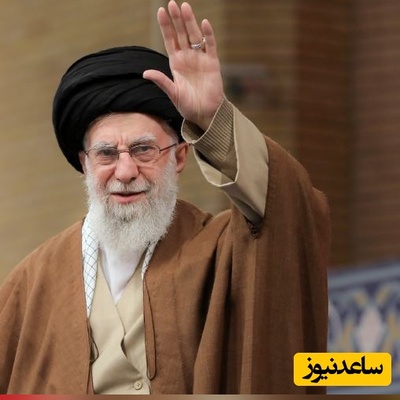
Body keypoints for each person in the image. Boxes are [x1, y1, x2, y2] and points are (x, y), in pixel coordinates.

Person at [0, 0, 330, 395]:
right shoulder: (31, 282)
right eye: (106, 154)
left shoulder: (218, 248)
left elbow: (286, 206)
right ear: (85, 164)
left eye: (143, 150)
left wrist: (212, 121)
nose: (125, 172)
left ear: (179, 157)